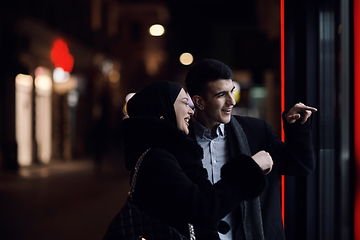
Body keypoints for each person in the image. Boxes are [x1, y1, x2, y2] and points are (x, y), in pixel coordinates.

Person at [117, 81, 268, 239]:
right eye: (184, 103)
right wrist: (251, 168)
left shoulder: (169, 155)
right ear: (163, 109)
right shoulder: (157, 158)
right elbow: (202, 208)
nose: (191, 110)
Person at [185, 59, 317, 240]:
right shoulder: (180, 141)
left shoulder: (255, 131)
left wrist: (297, 128)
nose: (231, 101)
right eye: (221, 95)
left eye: (232, 91)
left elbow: (299, 166)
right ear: (199, 102)